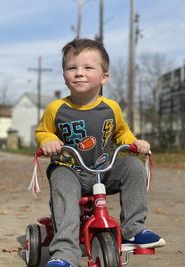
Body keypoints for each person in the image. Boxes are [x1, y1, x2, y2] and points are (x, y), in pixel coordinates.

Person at [35, 38, 166, 267]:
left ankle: (133, 229)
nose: (79, 73)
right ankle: (65, 253)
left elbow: (121, 133)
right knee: (63, 184)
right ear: (64, 75)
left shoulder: (111, 107)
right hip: (69, 169)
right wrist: (49, 141)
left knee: (133, 167)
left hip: (103, 170)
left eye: (88, 67)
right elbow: (43, 131)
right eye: (71, 68)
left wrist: (135, 143)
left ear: (104, 76)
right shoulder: (56, 109)